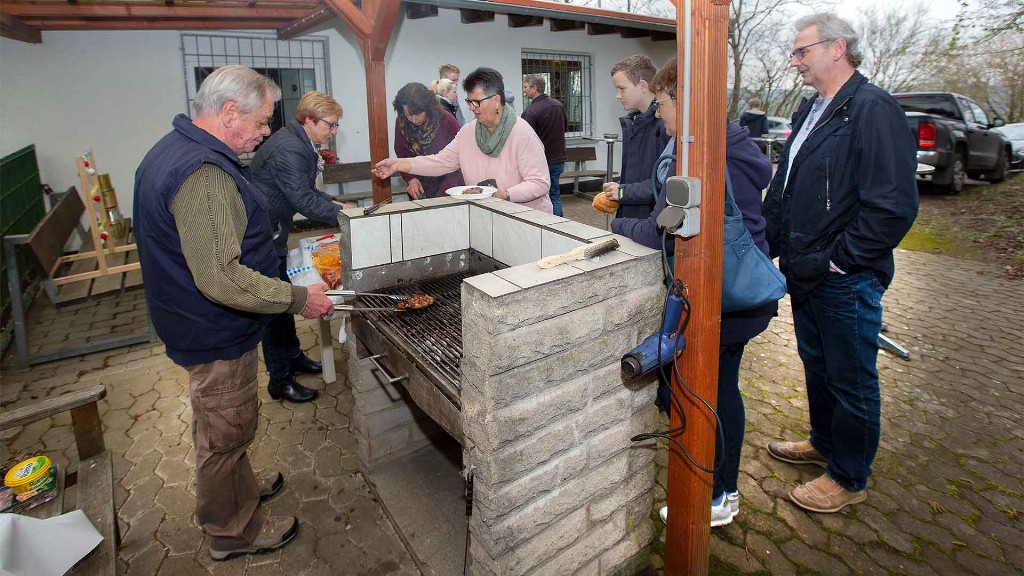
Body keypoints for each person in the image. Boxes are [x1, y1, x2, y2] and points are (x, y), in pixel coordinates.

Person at [134, 65, 334, 560]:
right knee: (224, 430)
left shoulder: (175, 148)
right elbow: (221, 278)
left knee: (225, 421)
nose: (266, 131)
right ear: (228, 113)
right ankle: (232, 531)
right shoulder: (202, 173)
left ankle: (238, 487)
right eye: (263, 120)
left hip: (193, 318)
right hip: (212, 327)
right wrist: (296, 298)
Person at [762, 13, 918, 514]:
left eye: (801, 51)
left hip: (842, 277)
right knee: (817, 365)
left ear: (838, 48)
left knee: (851, 378)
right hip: (805, 269)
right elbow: (788, 181)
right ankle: (824, 444)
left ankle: (850, 475)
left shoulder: (874, 109)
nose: (795, 61)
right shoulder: (814, 107)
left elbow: (892, 205)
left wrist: (841, 262)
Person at [610, 58, 774, 528]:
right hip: (732, 298)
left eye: (662, 103)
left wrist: (617, 224)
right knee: (719, 389)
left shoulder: (702, 155)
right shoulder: (718, 145)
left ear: (684, 100)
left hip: (726, 300)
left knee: (716, 395)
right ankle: (718, 483)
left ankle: (719, 493)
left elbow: (664, 228)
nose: (658, 113)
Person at [250, 91, 349, 404]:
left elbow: (305, 191)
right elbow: (303, 200)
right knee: (272, 305)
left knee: (284, 302)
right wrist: (345, 214)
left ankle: (292, 357)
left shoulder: (301, 141)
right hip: (261, 232)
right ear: (309, 119)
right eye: (330, 125)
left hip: (274, 228)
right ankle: (279, 379)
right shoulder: (290, 148)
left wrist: (334, 203)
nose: (334, 132)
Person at [372, 67, 552, 213]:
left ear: (496, 100)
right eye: (469, 101)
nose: (471, 108)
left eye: (477, 102)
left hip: (528, 218)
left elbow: (540, 182)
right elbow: (440, 162)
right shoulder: (468, 132)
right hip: (490, 215)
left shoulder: (522, 133)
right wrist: (398, 164)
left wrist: (505, 194)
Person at [600, 55, 671, 219]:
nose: (618, 95)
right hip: (632, 217)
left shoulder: (664, 125)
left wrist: (624, 192)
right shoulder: (635, 123)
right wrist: (619, 190)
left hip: (650, 221)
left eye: (622, 88)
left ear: (643, 85)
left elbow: (663, 184)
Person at [392, 82, 464, 199]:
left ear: (428, 108)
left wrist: (441, 197)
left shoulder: (446, 121)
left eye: (418, 114)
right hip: (420, 186)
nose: (413, 119)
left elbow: (458, 162)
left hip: (448, 185)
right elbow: (402, 154)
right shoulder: (402, 122)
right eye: (408, 114)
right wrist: (411, 179)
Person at [522, 74, 569, 216]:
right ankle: (559, 225)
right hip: (558, 159)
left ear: (534, 88)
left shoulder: (531, 112)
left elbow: (524, 140)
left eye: (525, 87)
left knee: (543, 198)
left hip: (541, 162)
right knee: (555, 195)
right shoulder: (558, 105)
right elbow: (564, 129)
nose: (523, 90)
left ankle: (550, 227)